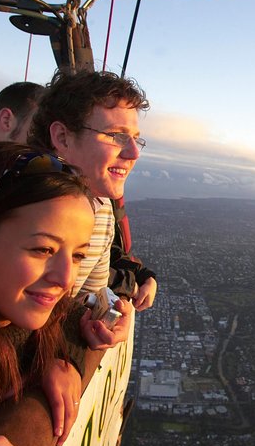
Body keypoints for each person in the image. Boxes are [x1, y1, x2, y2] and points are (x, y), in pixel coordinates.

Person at [0, 142, 132, 446]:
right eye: (43, 250)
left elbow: (69, 314)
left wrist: (64, 359)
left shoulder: (22, 312)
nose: (65, 279)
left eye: (77, 255)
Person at [28, 70, 158, 339]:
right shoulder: (10, 198)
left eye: (136, 139)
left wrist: (102, 325)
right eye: (116, 135)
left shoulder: (101, 208)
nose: (134, 153)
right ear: (62, 138)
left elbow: (87, 300)